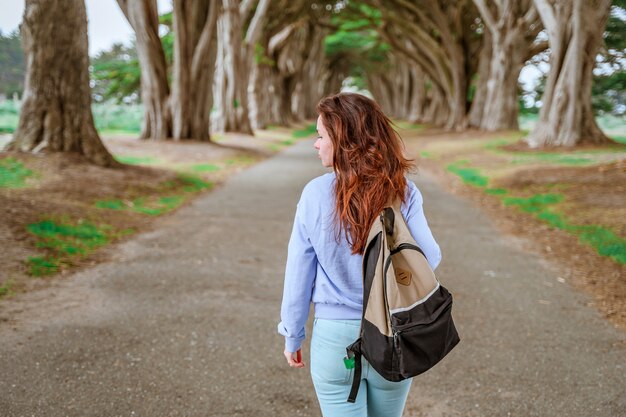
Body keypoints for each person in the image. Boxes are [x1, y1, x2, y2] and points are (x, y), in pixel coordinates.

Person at [277, 92, 442, 417]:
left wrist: (293, 336)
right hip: (392, 331)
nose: (316, 144)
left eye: (322, 136)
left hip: (334, 339)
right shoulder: (403, 191)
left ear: (344, 140)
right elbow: (430, 257)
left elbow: (299, 274)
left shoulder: (314, 194)